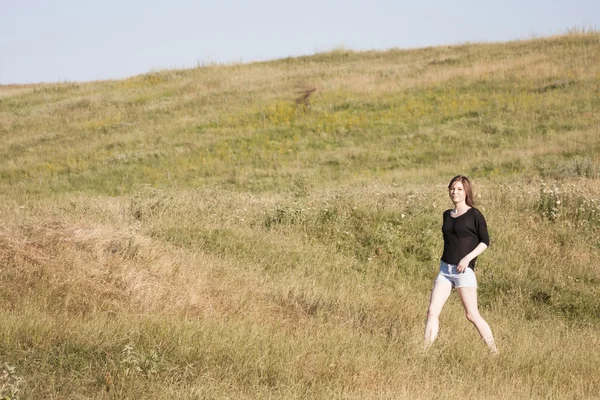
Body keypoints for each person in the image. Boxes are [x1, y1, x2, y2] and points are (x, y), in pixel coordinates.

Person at [424, 175, 498, 354]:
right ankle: (424, 352)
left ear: (466, 192)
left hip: (463, 271)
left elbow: (485, 241)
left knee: (471, 315)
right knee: (432, 310)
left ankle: (494, 351)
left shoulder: (474, 214)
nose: (454, 192)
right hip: (445, 270)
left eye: (459, 189)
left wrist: (467, 259)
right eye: (452, 189)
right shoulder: (447, 215)